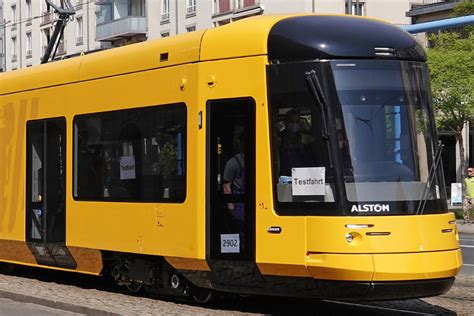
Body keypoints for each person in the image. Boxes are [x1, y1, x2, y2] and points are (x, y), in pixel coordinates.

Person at [223, 133, 245, 231]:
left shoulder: (259, 159)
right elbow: (226, 186)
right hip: (239, 202)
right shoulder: (233, 162)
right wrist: (231, 207)